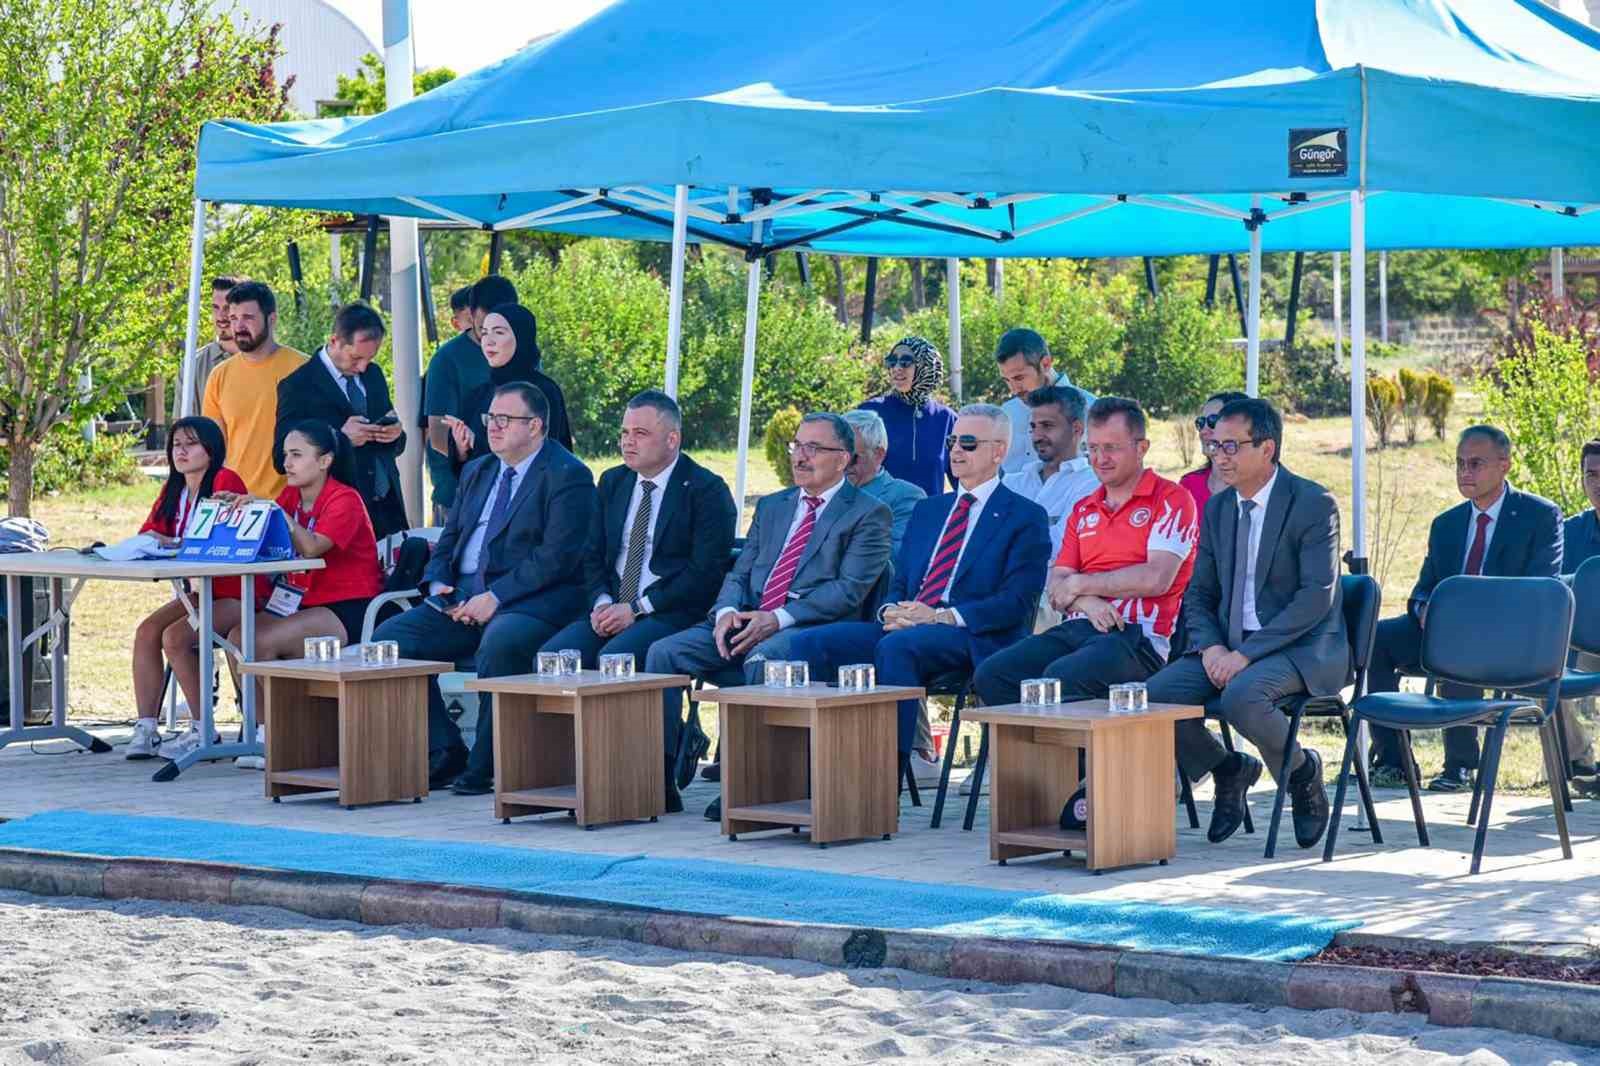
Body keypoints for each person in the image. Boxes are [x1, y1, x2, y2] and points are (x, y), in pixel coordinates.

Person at [646, 413, 892, 815]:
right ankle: (659, 781)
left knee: (766, 658)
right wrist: (726, 611)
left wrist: (778, 618)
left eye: (815, 448)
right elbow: (740, 571)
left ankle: (752, 787)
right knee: (664, 653)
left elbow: (848, 591)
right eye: (797, 445)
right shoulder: (775, 505)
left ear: (843, 459)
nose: (800, 456)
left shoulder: (867, 513)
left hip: (812, 629)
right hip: (747, 619)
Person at [795, 404, 1049, 771]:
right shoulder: (930, 510)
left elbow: (1016, 603)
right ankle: (812, 770)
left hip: (974, 634)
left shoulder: (1024, 516)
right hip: (909, 625)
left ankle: (886, 774)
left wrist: (942, 616)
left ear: (999, 451)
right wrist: (892, 610)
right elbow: (900, 581)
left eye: (969, 442)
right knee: (811, 643)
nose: (956, 451)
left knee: (898, 647)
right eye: (952, 441)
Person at [374, 382, 595, 795]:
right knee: (390, 639)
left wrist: (495, 598)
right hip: (460, 600)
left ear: (536, 426)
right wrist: (441, 587)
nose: (493, 427)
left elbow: (556, 558)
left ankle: (487, 764)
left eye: (505, 419)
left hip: (531, 602)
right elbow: (451, 537)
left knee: (500, 642)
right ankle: (444, 750)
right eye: (490, 418)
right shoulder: (479, 469)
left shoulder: (568, 475)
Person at [1147, 397, 1344, 849]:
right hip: (1229, 646)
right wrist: (1214, 648)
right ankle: (1228, 768)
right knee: (1153, 699)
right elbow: (1199, 594)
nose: (1219, 456)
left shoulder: (1313, 503)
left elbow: (1315, 598)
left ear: (1268, 448)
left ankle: (1302, 772)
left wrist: (1245, 655)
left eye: (1232, 446)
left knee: (1241, 696)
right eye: (1215, 446)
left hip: (1298, 647)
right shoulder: (1218, 508)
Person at [1367, 425, 1566, 792]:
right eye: (1459, 464)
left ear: (1504, 464)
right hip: (1444, 631)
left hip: (1507, 637)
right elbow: (1423, 588)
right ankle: (1394, 761)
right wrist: (1424, 608)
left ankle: (1460, 766)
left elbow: (1541, 589)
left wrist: (1468, 617)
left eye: (1475, 464)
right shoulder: (1447, 524)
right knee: (1377, 638)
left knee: (1461, 640)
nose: (1465, 473)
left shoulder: (1539, 516)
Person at [976, 397, 1197, 721]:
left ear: (1141, 447)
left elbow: (1155, 578)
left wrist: (1081, 583)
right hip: (1078, 627)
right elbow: (1057, 585)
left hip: (1139, 638)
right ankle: (1036, 766)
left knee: (1059, 678)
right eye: (1092, 448)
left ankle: (1081, 768)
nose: (1100, 458)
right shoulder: (1084, 508)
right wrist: (1089, 603)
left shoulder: (1171, 499)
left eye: (1111, 448)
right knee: (994, 674)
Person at [210, 420, 385, 763]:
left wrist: (277, 513)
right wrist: (245, 510)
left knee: (257, 641)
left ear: (324, 461)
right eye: (285, 454)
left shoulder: (344, 499)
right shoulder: (290, 495)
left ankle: (286, 736)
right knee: (237, 636)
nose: (286, 463)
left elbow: (312, 547)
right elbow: (270, 538)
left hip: (348, 605)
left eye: (296, 455)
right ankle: (260, 731)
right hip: (300, 601)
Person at [541, 390, 737, 669]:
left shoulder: (706, 490)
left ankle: (642, 715)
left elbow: (703, 574)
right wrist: (602, 602)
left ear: (672, 439)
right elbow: (591, 553)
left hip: (670, 610)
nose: (628, 442)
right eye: (624, 433)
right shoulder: (613, 481)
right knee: (554, 659)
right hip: (611, 607)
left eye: (640, 433)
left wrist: (636, 608)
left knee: (615, 660)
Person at [125, 417, 250, 761]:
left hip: (238, 592)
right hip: (201, 592)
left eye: (190, 444)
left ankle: (203, 729)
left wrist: (171, 541)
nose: (181, 451)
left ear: (211, 449)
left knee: (176, 637)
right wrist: (157, 539)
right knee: (147, 631)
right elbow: (150, 533)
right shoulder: (174, 489)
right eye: (176, 445)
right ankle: (147, 727)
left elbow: (220, 541)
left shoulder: (226, 480)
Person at [273, 303, 407, 540]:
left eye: (370, 358)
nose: (363, 366)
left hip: (387, 507)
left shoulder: (372, 375)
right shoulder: (298, 385)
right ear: (334, 341)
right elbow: (279, 456)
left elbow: (391, 438)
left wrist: (395, 434)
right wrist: (340, 438)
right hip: (337, 513)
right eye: (355, 357)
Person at [202, 281, 308, 499]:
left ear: (272, 319)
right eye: (233, 318)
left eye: (248, 318)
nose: (239, 326)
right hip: (235, 502)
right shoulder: (219, 376)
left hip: (291, 505)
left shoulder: (303, 368)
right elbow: (213, 450)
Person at [444, 303, 573, 464]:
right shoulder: (479, 394)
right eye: (484, 333)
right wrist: (461, 448)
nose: (488, 341)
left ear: (521, 337)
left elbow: (550, 458)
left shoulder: (544, 390)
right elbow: (465, 473)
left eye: (498, 332)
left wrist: (478, 444)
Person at [424, 280, 501, 517]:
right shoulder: (447, 359)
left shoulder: (526, 356)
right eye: (483, 328)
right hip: (458, 495)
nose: (489, 337)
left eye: (499, 330)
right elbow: (437, 435)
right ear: (470, 314)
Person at [1001, 385, 1099, 558]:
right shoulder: (1011, 483)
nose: (1037, 436)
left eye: (1047, 426)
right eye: (1033, 426)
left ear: (1077, 429)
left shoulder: (1093, 485)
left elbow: (1059, 549)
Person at [857, 336, 956, 497]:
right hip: (878, 519)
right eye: (892, 361)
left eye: (905, 362)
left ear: (926, 367)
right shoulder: (870, 412)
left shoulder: (946, 419)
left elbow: (964, 482)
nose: (896, 368)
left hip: (927, 519)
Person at [994, 328, 1095, 475]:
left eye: (1019, 378)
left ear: (1046, 364)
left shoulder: (1092, 410)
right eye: (1007, 380)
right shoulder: (1007, 413)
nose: (1014, 390)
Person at [843, 409, 925, 558]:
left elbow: (893, 559)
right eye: (837, 456)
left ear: (878, 454)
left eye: (852, 458)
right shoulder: (821, 490)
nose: (843, 465)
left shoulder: (906, 497)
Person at [1566, 439, 1600, 789]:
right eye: (1590, 474)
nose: (1598, 483)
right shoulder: (1571, 532)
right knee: (1543, 677)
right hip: (1585, 648)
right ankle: (1580, 763)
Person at [1179, 391, 1251, 512]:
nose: (1203, 431)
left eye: (1213, 421)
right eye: (1201, 423)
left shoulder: (1258, 489)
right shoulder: (1188, 486)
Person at [183, 276, 240, 417]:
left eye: (227, 308)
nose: (220, 316)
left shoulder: (264, 360)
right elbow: (183, 429)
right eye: (216, 308)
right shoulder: (192, 366)